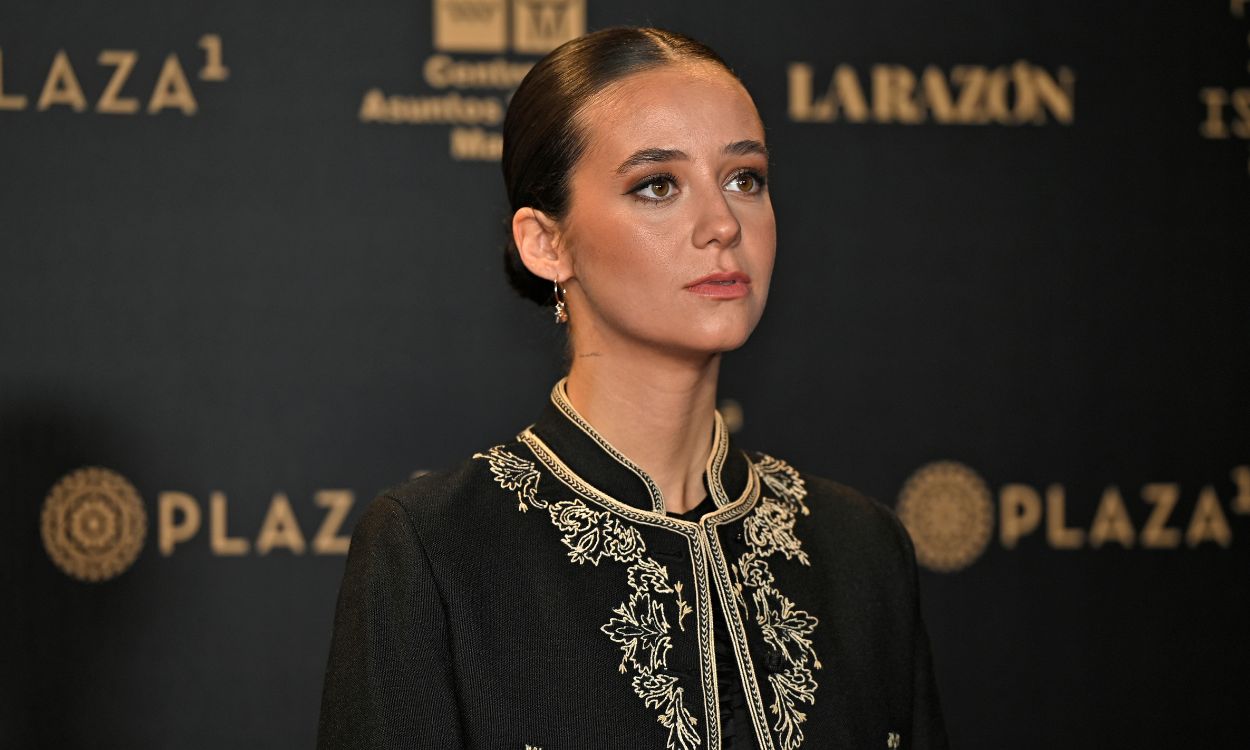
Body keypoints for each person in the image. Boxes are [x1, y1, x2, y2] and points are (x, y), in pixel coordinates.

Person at [317, 26, 948, 750]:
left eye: (745, 179)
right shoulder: (435, 550)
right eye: (657, 186)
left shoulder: (861, 549)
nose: (721, 225)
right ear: (545, 243)